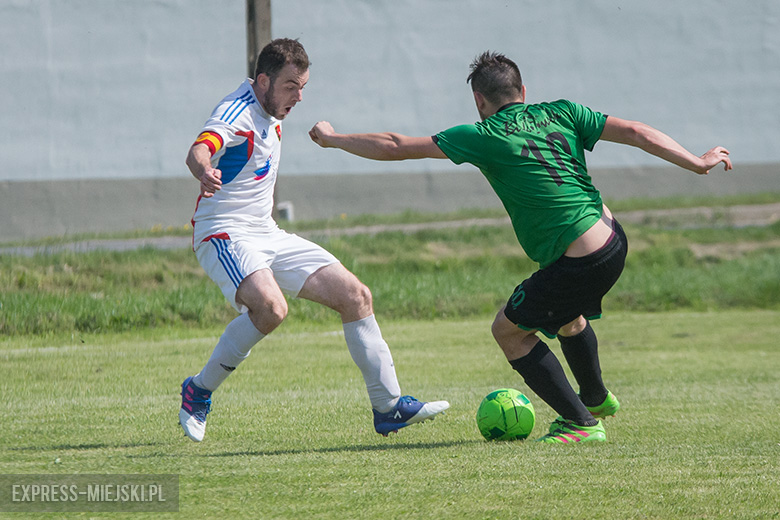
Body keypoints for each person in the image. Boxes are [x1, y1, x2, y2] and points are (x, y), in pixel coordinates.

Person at [309, 51, 732, 444]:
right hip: (613, 240)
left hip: (580, 260)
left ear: (479, 101)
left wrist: (332, 138)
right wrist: (697, 162)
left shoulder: (483, 134)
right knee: (566, 316)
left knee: (508, 331)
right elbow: (637, 132)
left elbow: (396, 145)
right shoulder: (563, 111)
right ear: (523, 91)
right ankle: (596, 397)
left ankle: (582, 424)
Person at [179, 38, 449, 442]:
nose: (299, 97)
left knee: (356, 295)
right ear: (264, 81)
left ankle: (388, 406)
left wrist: (331, 137)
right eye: (291, 86)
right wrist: (204, 170)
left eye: (303, 87)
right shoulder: (236, 112)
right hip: (223, 232)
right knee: (271, 308)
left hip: (266, 232)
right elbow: (200, 149)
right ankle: (198, 390)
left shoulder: (271, 108)